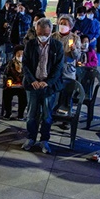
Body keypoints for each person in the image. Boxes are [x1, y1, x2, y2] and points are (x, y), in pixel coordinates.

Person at [22, 17, 64, 154]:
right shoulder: (31, 44)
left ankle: (44, 140)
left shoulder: (57, 46)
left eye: (46, 34)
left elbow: (58, 68)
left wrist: (47, 82)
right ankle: (31, 137)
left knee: (47, 115)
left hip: (49, 86)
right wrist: (32, 80)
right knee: (31, 114)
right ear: (36, 30)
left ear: (51, 31)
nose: (43, 37)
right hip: (33, 84)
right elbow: (26, 64)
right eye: (40, 34)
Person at [52, 15, 82, 81]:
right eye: (61, 24)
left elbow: (77, 56)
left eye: (65, 24)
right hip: (54, 69)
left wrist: (74, 49)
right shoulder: (53, 36)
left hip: (68, 71)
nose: (62, 26)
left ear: (70, 27)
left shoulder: (75, 38)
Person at [2, 44, 27, 120]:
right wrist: (9, 80)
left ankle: (20, 114)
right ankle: (8, 113)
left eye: (22, 54)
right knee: (6, 93)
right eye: (18, 54)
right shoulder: (10, 64)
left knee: (24, 95)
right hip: (12, 85)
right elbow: (6, 74)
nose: (20, 56)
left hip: (23, 86)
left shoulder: (27, 64)